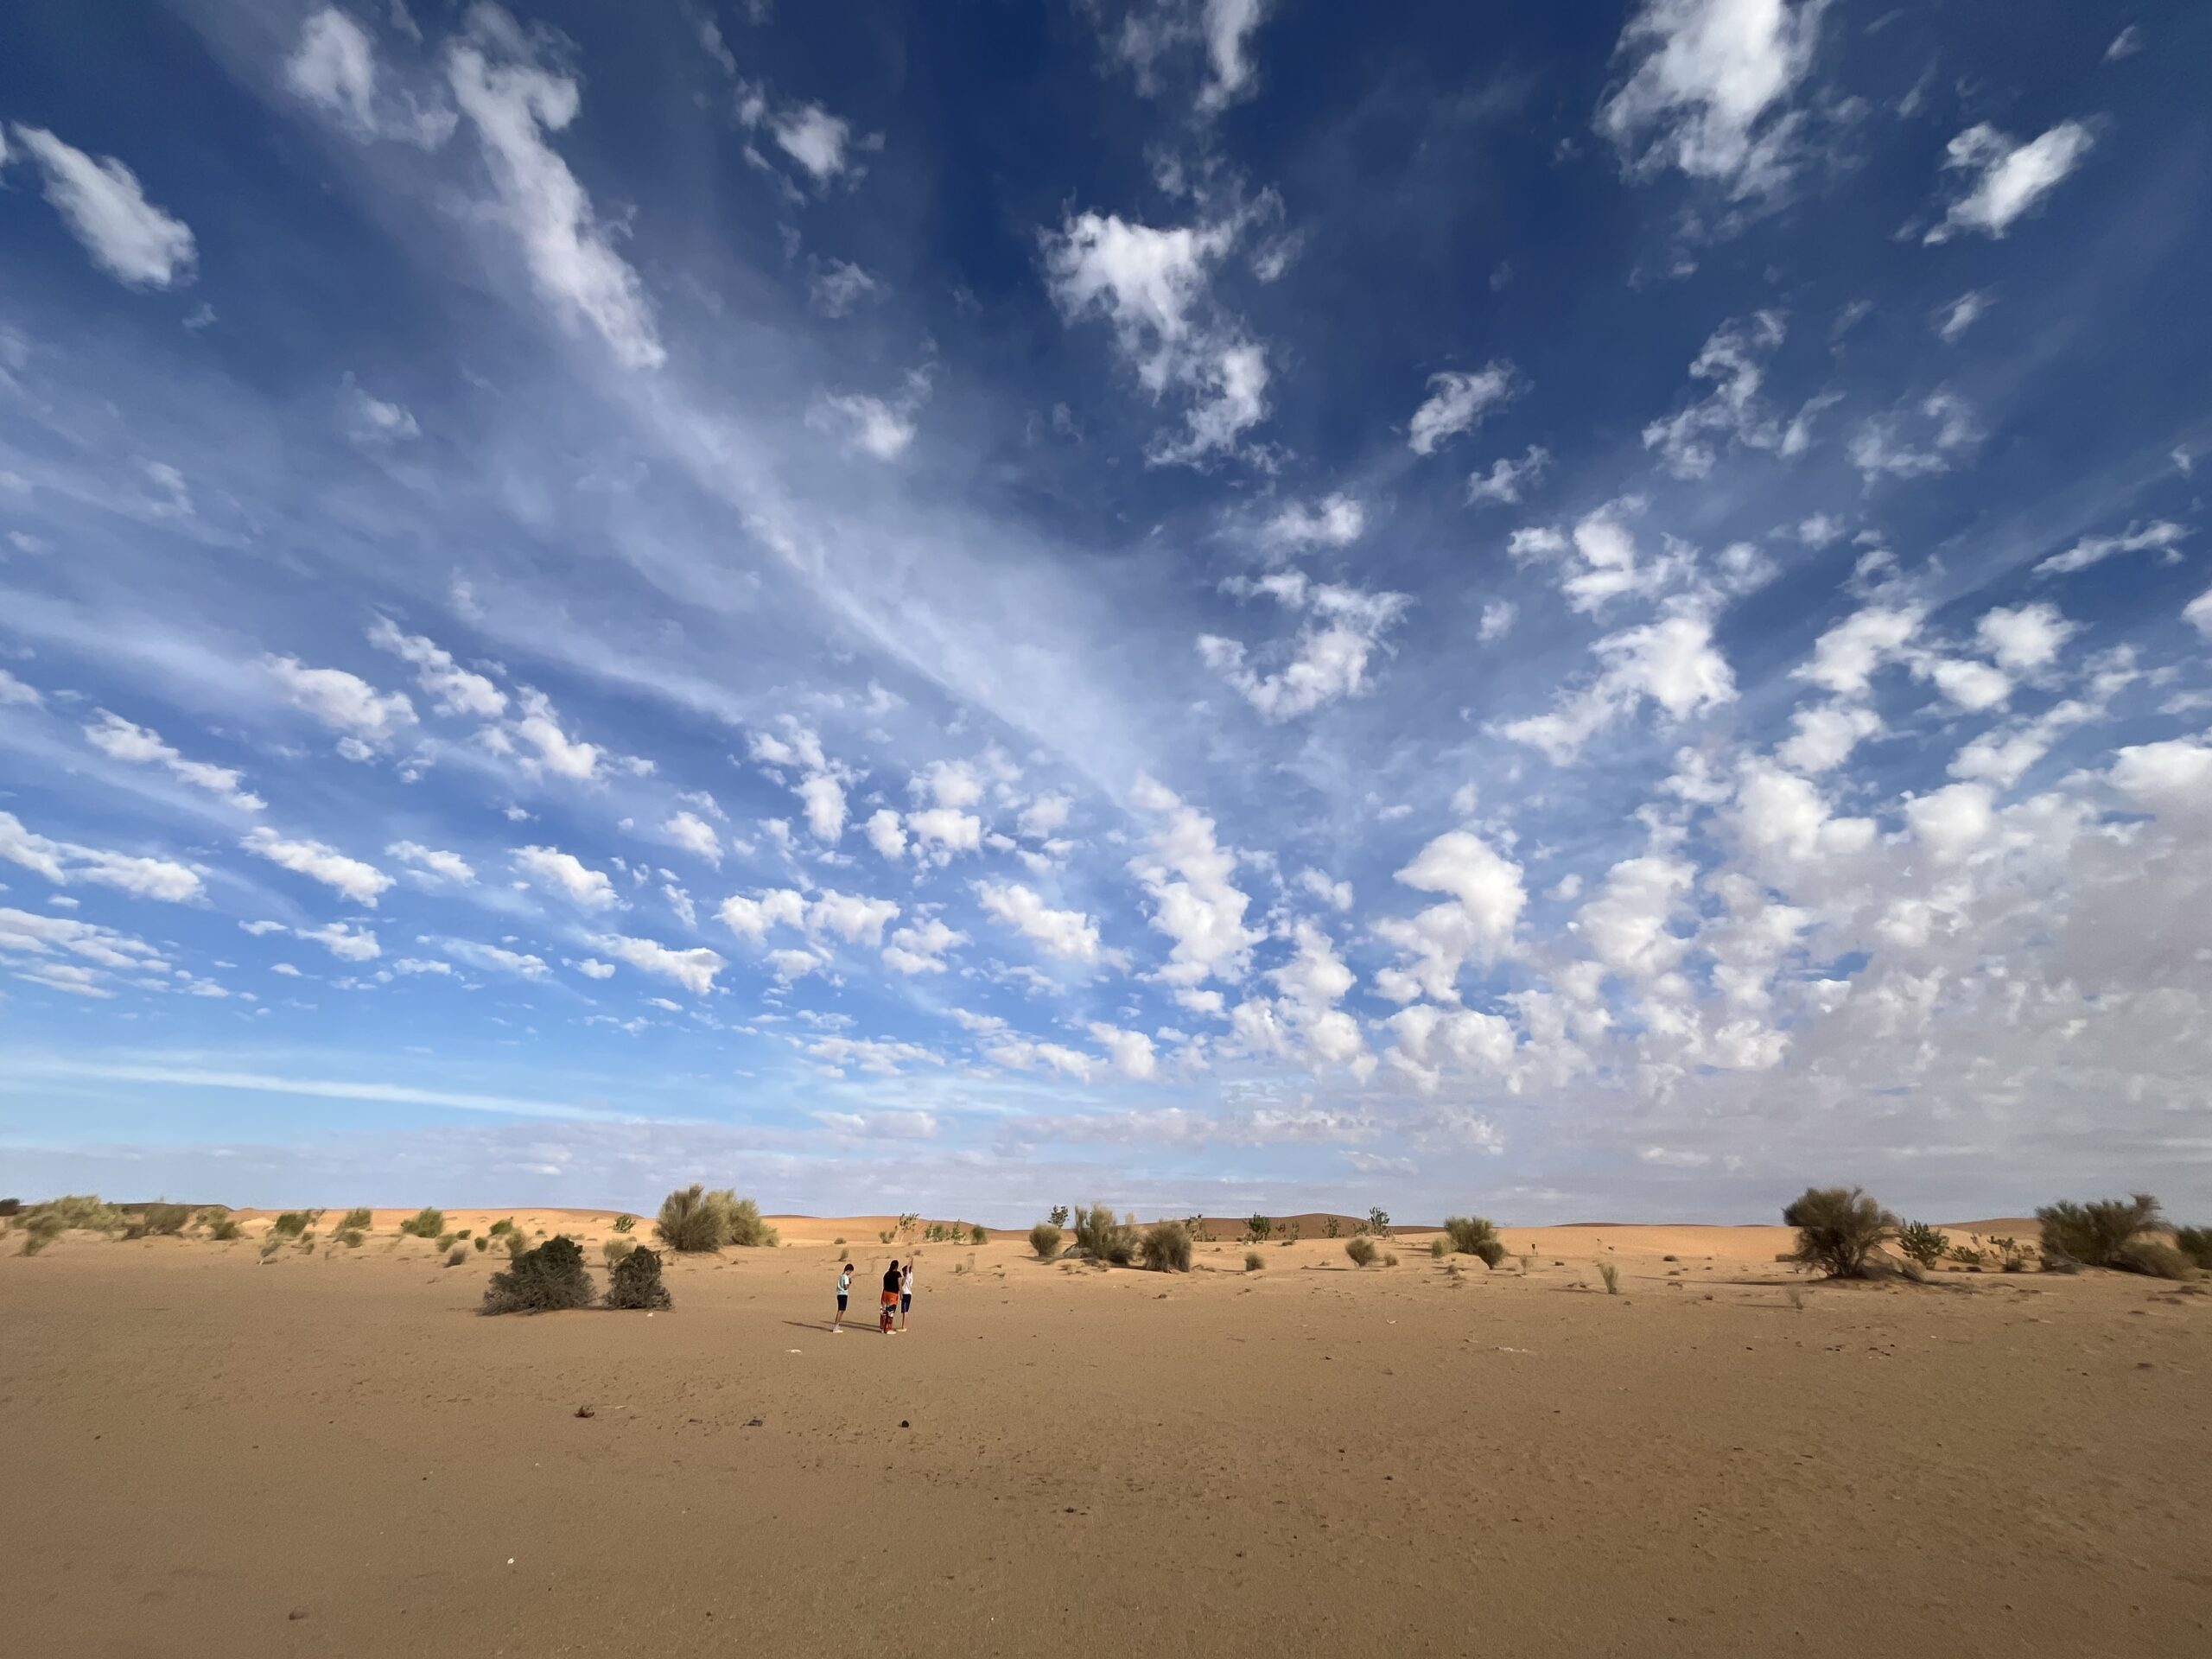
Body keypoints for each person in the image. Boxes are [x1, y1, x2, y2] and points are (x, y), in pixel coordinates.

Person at [880, 1258, 900, 1334]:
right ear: (896, 1266)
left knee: (884, 1310)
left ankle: (882, 1328)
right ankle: (888, 1328)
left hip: (885, 1293)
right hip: (893, 1294)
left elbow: (884, 1284)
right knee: (890, 1311)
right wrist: (901, 1293)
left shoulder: (886, 1274)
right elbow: (899, 1284)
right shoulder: (897, 1274)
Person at [833, 1260, 852, 1332]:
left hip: (839, 1294)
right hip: (843, 1294)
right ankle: (836, 1326)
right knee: (840, 1310)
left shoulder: (840, 1276)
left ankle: (837, 1325)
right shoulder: (845, 1277)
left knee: (841, 1310)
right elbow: (845, 1287)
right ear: (848, 1270)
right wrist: (849, 1283)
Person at [898, 1256, 915, 1332]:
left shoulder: (908, 1277)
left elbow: (909, 1268)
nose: (903, 1273)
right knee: (905, 1311)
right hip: (908, 1294)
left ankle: (904, 1326)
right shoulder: (910, 1276)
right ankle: (904, 1326)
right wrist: (912, 1261)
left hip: (906, 1294)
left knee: (905, 1311)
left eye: (903, 1272)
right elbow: (912, 1269)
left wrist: (909, 1261)